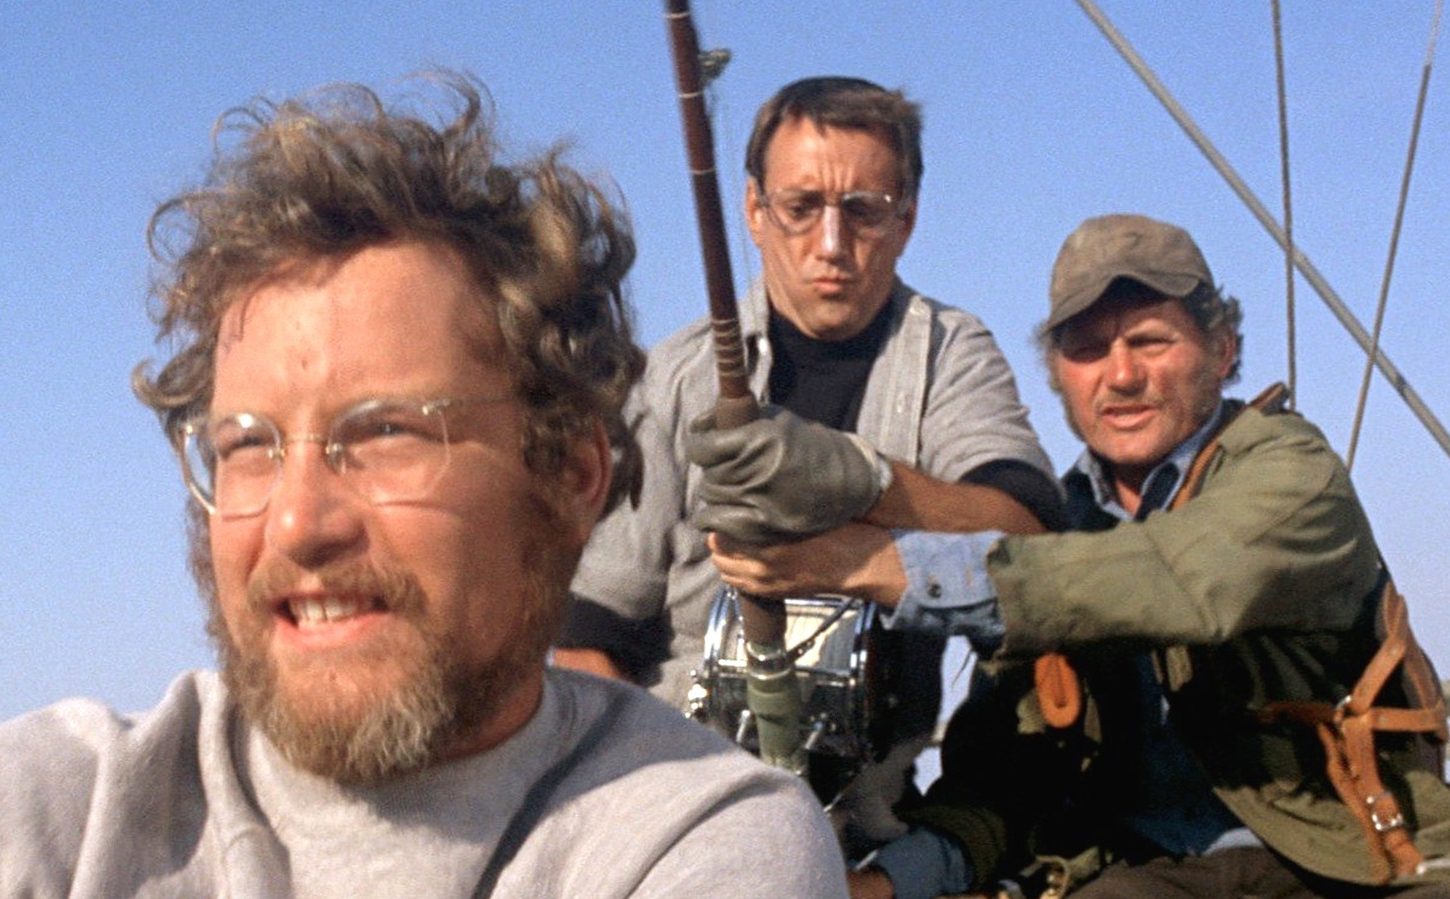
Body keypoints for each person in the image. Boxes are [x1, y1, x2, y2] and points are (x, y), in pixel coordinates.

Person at [0, 75, 848, 898]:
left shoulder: (700, 835)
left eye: (385, 432)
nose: (296, 522)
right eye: (248, 445)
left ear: (571, 475)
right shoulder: (56, 807)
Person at [693, 214, 1450, 897]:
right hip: (1140, 875)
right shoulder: (1058, 531)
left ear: (1222, 351)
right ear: (1058, 377)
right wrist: (885, 884)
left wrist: (870, 562)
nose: (1120, 375)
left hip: (1354, 862)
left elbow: (1178, 578)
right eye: (1086, 350)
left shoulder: (1292, 472)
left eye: (1150, 340)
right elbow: (1004, 779)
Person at [553, 77, 1061, 838]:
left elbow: (1032, 540)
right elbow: (584, 639)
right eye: (801, 207)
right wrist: (651, 812)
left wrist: (867, 483)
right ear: (754, 212)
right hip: (676, 806)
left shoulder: (953, 354)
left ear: (907, 219)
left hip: (867, 822)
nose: (831, 245)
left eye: (864, 210)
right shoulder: (671, 379)